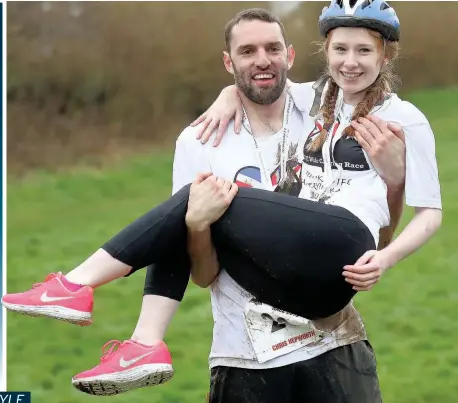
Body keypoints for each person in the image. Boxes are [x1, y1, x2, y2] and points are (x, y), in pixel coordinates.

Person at [1, 4, 441, 401]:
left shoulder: (328, 106)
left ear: (291, 58)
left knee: (198, 198)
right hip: (258, 334)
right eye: (247, 52)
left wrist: (395, 181)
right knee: (189, 211)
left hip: (334, 320)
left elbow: (412, 217)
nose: (350, 62)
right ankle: (142, 344)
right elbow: (203, 272)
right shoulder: (214, 135)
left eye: (272, 49)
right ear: (229, 63)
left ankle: (81, 288)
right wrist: (197, 220)